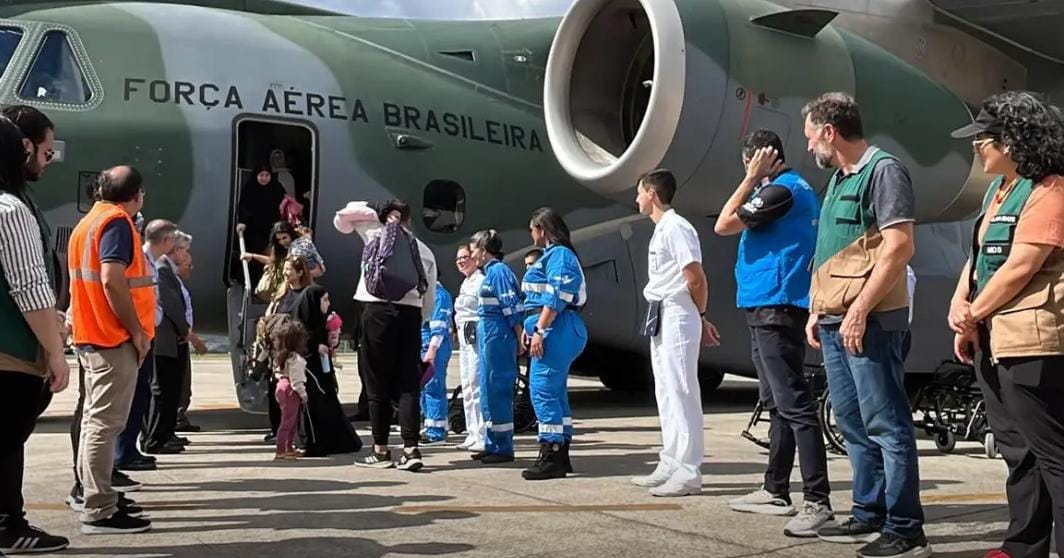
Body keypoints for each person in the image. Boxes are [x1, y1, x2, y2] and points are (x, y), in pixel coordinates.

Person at [800, 92, 927, 557]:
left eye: (812, 135)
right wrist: (819, 308)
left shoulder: (883, 171)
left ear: (830, 132)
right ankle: (868, 511)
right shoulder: (838, 179)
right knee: (852, 421)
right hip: (835, 320)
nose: (810, 145)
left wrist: (858, 309)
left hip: (871, 322)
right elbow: (834, 250)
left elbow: (898, 247)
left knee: (886, 423)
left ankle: (907, 530)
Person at [948, 91, 1064, 558]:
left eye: (986, 138)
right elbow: (979, 260)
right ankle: (1023, 546)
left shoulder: (1050, 190)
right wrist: (961, 307)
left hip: (1032, 341)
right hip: (995, 340)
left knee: (1054, 454)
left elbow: (1021, 266)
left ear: (1014, 141)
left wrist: (973, 312)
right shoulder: (1001, 191)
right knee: (1018, 451)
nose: (978, 147)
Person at [713, 130, 832, 535]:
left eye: (748, 162)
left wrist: (750, 179)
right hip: (765, 303)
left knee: (795, 403)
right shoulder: (783, 190)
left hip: (777, 305)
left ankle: (817, 500)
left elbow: (726, 224)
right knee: (778, 402)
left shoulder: (782, 191)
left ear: (759, 158)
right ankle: (775, 489)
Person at [68, 165, 154, 534]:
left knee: (93, 423)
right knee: (104, 426)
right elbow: (111, 278)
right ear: (136, 195)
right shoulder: (117, 223)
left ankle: (94, 496)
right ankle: (99, 508)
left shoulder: (86, 224)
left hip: (91, 335)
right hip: (112, 338)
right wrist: (136, 330)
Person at [0, 113, 71, 553]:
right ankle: (8, 524)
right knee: (6, 442)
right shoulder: (11, 211)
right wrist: (56, 351)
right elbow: (29, 288)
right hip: (12, 353)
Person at [629, 169, 719, 497]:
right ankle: (670, 460)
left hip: (678, 311)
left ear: (652, 193)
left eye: (639, 192)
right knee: (666, 391)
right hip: (661, 313)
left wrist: (701, 315)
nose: (636, 199)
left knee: (682, 391)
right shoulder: (661, 229)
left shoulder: (677, 228)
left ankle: (689, 471)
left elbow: (695, 277)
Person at [340, 200, 436, 472]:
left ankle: (381, 449)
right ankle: (411, 448)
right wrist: (420, 318)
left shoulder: (375, 234)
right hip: (411, 314)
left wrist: (378, 212)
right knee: (408, 384)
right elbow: (428, 296)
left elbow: (344, 215)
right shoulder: (423, 249)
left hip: (377, 311)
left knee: (376, 384)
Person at [520, 207, 588, 480]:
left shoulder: (559, 255)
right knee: (555, 392)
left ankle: (551, 455)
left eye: (532, 228)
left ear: (543, 230)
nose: (531, 234)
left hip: (556, 328)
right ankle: (560, 452)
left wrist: (539, 329)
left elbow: (557, 296)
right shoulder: (552, 256)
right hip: (553, 328)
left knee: (543, 391)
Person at [273, 256, 360, 457]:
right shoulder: (294, 311)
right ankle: (311, 442)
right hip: (309, 367)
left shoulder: (315, 318)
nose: (328, 304)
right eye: (325, 300)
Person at [116, 219, 177, 467]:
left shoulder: (150, 261)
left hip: (144, 334)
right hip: (137, 336)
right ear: (165, 240)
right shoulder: (142, 261)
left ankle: (129, 449)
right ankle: (123, 453)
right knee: (131, 397)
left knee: (139, 396)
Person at [470, 229, 525, 464]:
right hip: (488, 333)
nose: (472, 255)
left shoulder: (499, 272)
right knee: (487, 388)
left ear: (483, 250)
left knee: (498, 386)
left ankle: (504, 447)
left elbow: (511, 305)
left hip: (498, 334)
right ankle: (492, 442)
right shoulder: (489, 273)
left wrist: (519, 335)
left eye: (473, 250)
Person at [144, 232, 191, 454]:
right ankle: (156, 439)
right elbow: (171, 305)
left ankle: (164, 435)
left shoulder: (166, 268)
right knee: (163, 390)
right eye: (183, 249)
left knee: (170, 390)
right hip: (166, 340)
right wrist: (185, 330)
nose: (186, 254)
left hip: (171, 340)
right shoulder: (162, 269)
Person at [453, 244, 486, 452]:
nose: (461, 261)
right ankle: (472, 433)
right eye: (458, 259)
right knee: (467, 386)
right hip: (464, 338)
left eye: (465, 257)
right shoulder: (466, 283)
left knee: (477, 386)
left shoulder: (480, 282)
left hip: (475, 337)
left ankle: (482, 434)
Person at [175, 238, 206, 433]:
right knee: (176, 383)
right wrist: (194, 339)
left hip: (181, 340)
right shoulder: (167, 280)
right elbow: (175, 314)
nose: (191, 269)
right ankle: (174, 419)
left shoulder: (176, 282)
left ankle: (178, 417)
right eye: (188, 265)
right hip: (176, 340)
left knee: (182, 383)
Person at [236, 165, 286, 287]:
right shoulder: (250, 189)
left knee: (269, 257)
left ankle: (266, 285)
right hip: (253, 231)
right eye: (261, 175)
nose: (264, 178)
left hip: (271, 230)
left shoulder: (276, 188)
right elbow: (244, 206)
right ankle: (252, 284)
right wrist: (243, 221)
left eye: (267, 175)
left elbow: (284, 205)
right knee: (252, 257)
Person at [268, 317, 309, 460]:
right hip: (291, 390)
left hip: (281, 387)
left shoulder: (281, 357)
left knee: (289, 419)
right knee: (288, 422)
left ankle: (288, 447)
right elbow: (296, 381)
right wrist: (303, 395)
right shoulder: (296, 359)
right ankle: (281, 450)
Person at [420, 282, 454, 445]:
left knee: (434, 385)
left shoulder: (440, 295)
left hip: (435, 345)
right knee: (424, 386)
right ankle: (430, 424)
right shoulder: (426, 295)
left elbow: (439, 326)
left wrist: (432, 350)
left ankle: (436, 432)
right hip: (424, 341)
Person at [244, 220, 299, 302]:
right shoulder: (279, 250)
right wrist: (253, 256)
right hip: (279, 288)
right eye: (279, 240)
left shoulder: (299, 248)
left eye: (285, 238)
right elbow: (272, 261)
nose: (282, 242)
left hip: (291, 289)